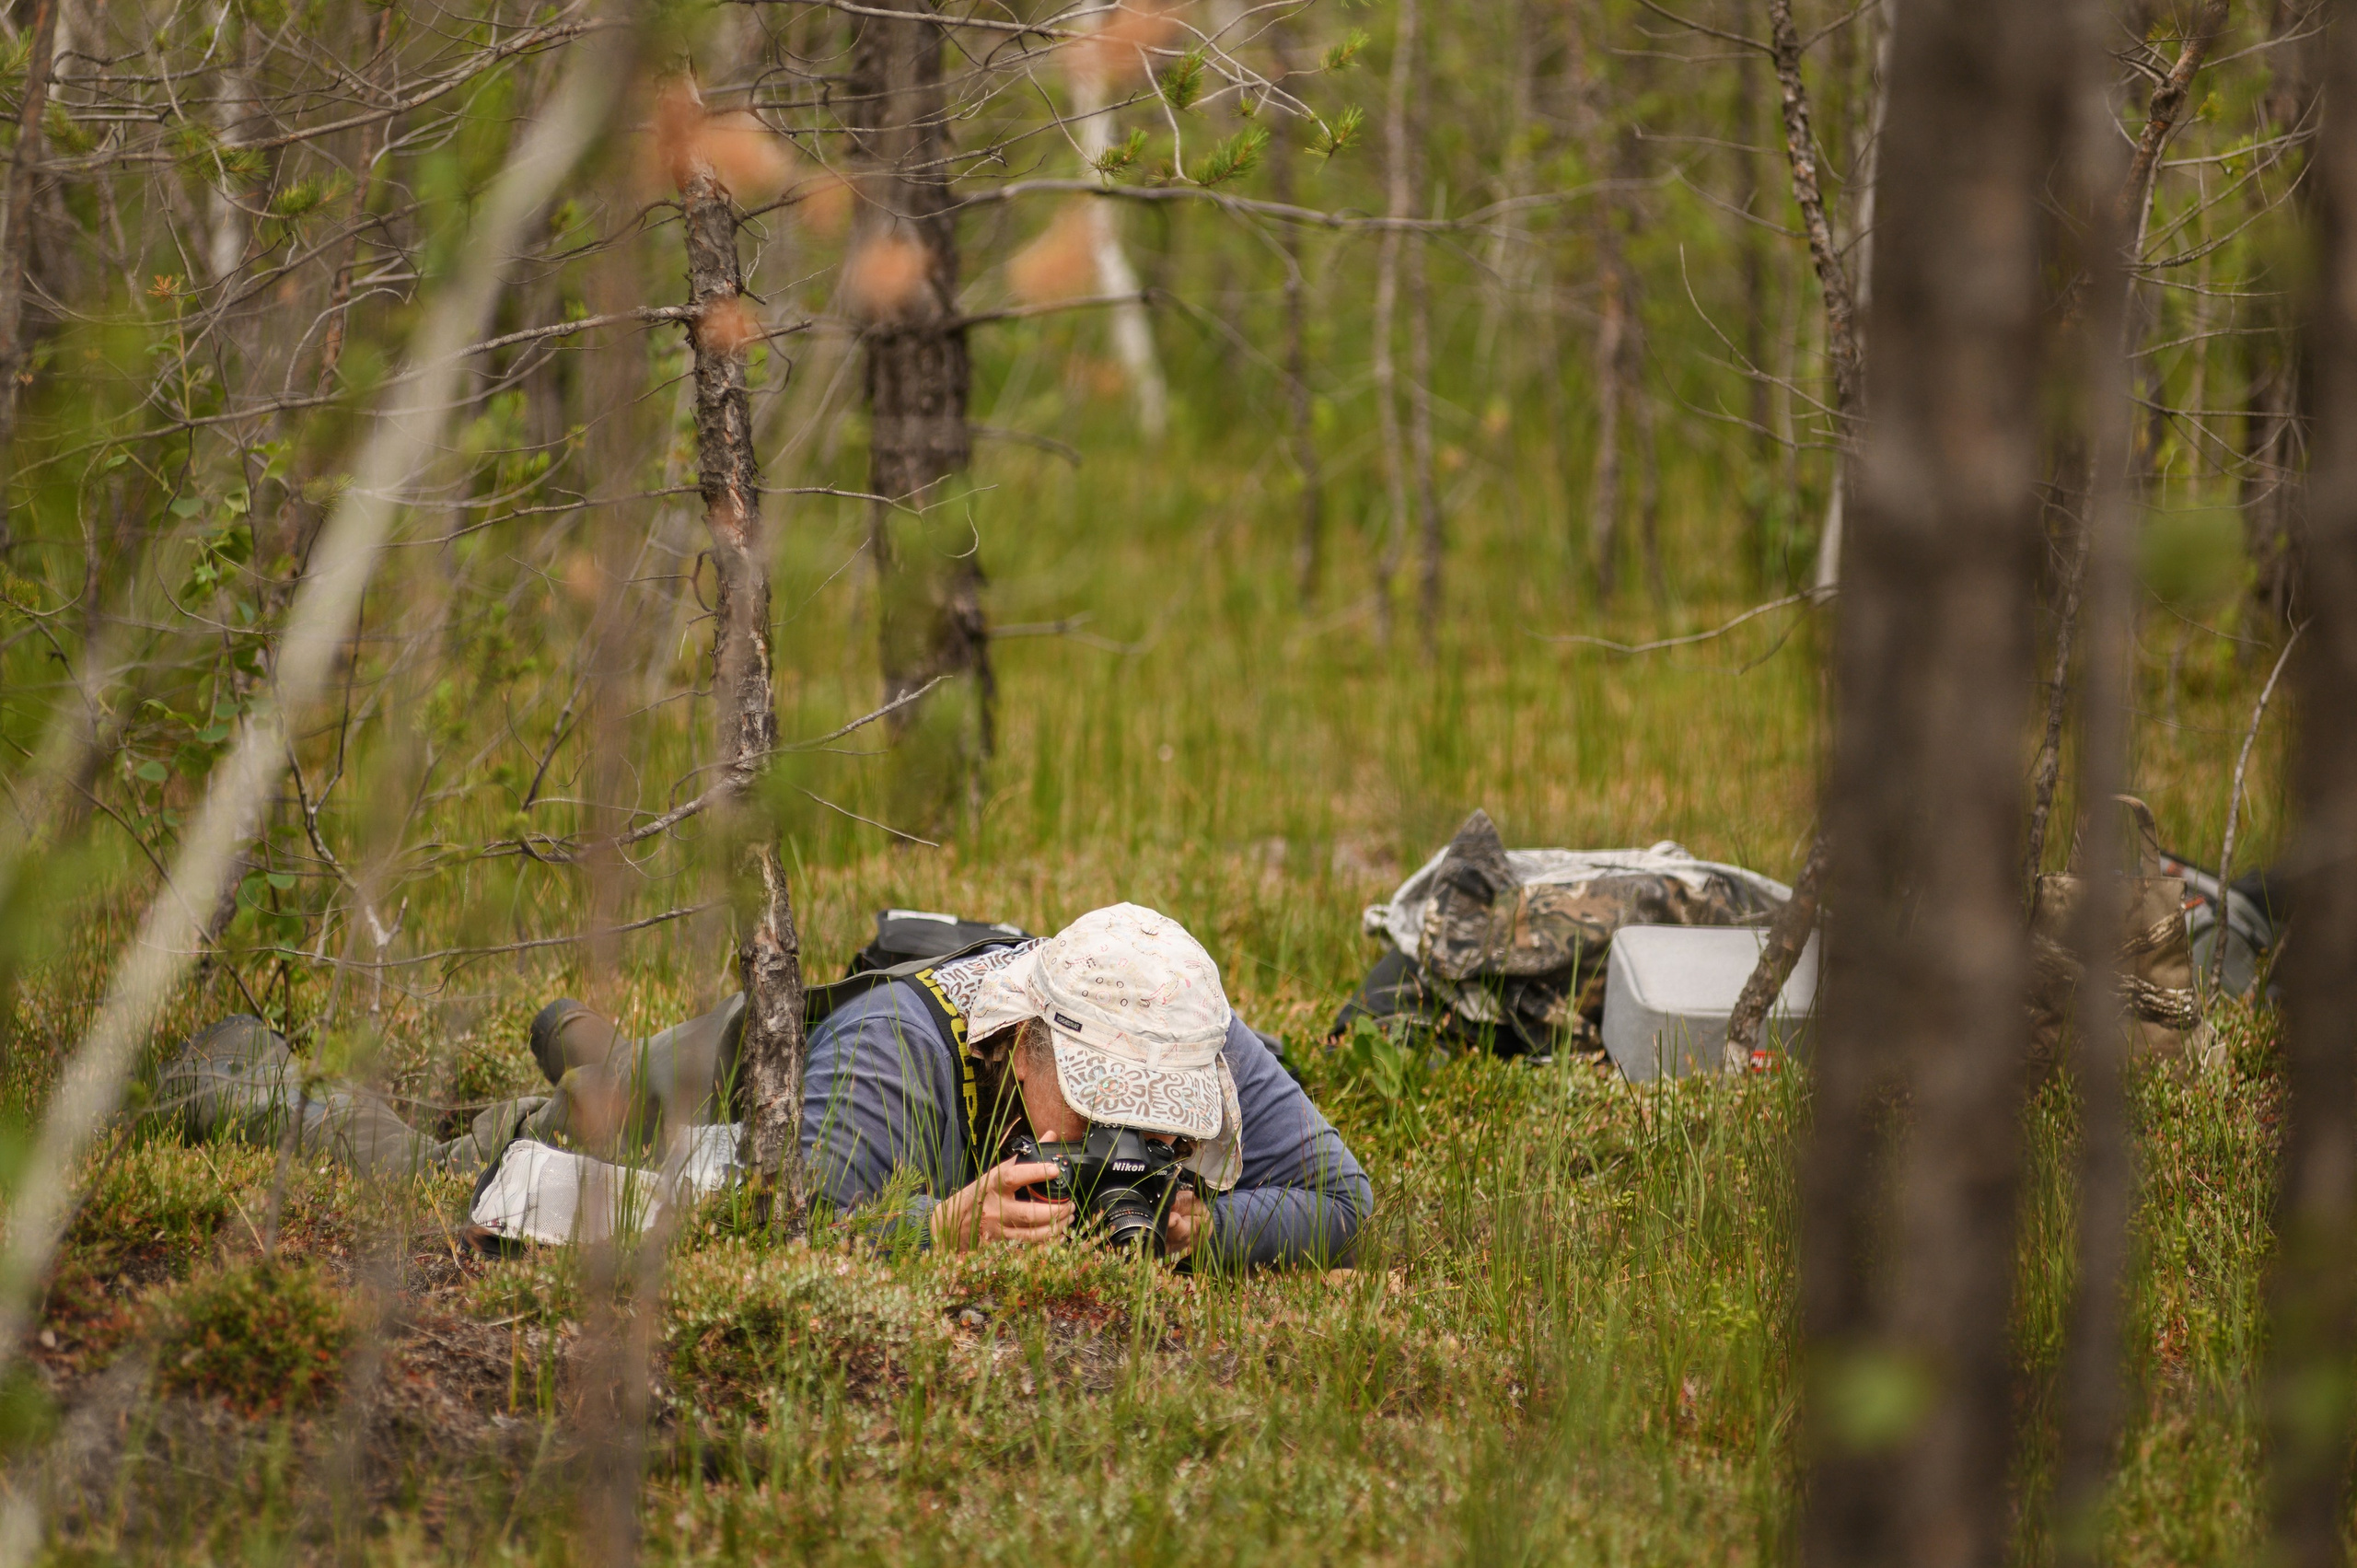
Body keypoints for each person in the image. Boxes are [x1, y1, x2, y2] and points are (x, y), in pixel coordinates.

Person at [160, 903, 1370, 1272]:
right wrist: (938, 1230)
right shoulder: (898, 1058)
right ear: (1027, 1044)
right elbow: (789, 1230)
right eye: (1111, 1106)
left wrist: (1200, 1225)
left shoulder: (1187, 1017)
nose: (1137, 1137)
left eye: (1163, 1118)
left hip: (788, 1082)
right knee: (492, 1157)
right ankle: (237, 1075)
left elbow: (1338, 1196)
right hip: (745, 1117)